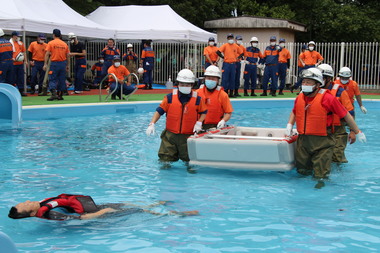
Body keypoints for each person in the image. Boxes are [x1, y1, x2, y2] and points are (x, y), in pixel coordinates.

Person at [285, 68, 366, 179]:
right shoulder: (300, 97)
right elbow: (295, 111)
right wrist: (289, 124)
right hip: (303, 141)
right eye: (303, 81)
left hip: (322, 142)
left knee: (321, 175)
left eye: (308, 82)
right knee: (302, 172)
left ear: (318, 84)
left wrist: (357, 131)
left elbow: (346, 114)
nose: (305, 84)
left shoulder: (328, 98)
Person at [145, 69, 207, 163]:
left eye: (187, 84)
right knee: (164, 160)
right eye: (182, 84)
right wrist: (152, 123)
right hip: (170, 136)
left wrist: (199, 122)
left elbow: (204, 112)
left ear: (192, 85)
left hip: (188, 136)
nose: (184, 86)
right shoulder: (169, 98)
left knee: (190, 162)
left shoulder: (198, 99)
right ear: (177, 84)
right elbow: (159, 111)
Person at [8, 194, 199, 221]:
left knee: (128, 204)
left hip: (94, 206)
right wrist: (103, 213)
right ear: (32, 213)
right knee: (137, 211)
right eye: (25, 205)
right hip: (98, 213)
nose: (26, 201)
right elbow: (79, 219)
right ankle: (176, 215)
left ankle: (153, 204)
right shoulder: (50, 213)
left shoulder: (40, 205)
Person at [318, 64, 355, 163]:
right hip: (320, 129)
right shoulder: (314, 90)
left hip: (338, 130)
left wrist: (352, 131)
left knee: (337, 156)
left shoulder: (340, 91)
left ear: (328, 78)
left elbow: (350, 111)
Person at [196, 65, 233, 130]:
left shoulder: (223, 95)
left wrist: (223, 121)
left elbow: (228, 112)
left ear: (218, 80)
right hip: (199, 125)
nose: (211, 80)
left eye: (213, 79)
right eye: (208, 78)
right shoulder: (197, 93)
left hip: (216, 126)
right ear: (205, 79)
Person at [43, 29, 70, 101]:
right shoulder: (64, 44)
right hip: (63, 63)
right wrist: (67, 65)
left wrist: (45, 64)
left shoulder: (51, 43)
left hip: (54, 63)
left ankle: (53, 94)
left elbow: (47, 54)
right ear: (60, 35)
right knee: (62, 79)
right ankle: (60, 95)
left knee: (52, 78)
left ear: (53, 35)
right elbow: (68, 55)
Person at [216, 33, 244, 98]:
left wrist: (237, 58)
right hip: (226, 64)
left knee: (232, 78)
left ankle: (231, 93)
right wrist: (223, 57)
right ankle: (225, 93)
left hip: (233, 64)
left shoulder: (235, 46)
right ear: (227, 39)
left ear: (233, 38)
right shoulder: (225, 45)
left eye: (231, 38)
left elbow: (242, 53)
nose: (230, 39)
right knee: (225, 78)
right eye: (229, 38)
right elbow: (218, 52)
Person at [10, 31, 28, 96]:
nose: (18, 37)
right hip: (12, 63)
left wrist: (25, 61)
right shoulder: (10, 43)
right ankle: (12, 91)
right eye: (17, 36)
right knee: (12, 78)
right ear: (13, 36)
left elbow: (24, 52)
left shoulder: (20, 43)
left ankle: (21, 90)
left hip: (20, 63)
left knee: (20, 78)